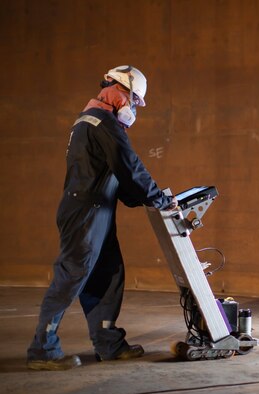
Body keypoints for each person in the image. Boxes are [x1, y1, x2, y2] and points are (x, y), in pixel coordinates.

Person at [26, 65, 176, 370]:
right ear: (120, 91)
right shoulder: (102, 122)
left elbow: (117, 175)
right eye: (135, 100)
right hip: (86, 213)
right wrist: (161, 200)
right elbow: (131, 168)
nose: (134, 108)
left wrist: (143, 199)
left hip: (96, 211)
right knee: (72, 275)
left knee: (108, 274)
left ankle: (109, 343)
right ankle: (42, 349)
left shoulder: (90, 120)